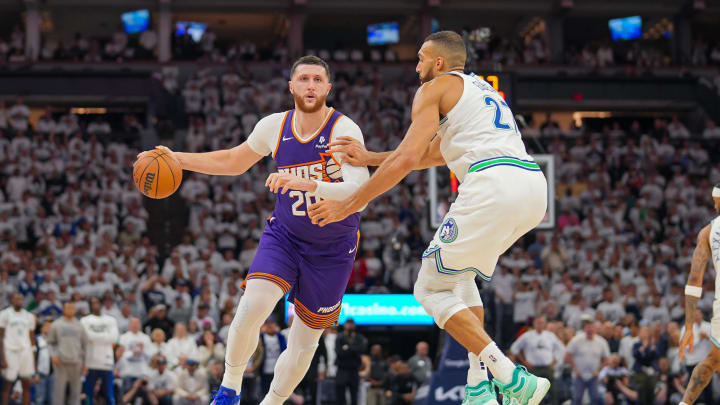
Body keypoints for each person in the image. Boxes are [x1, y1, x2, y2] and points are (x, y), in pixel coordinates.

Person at [307, 30, 549, 404]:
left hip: (492, 183)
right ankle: (479, 385)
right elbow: (433, 155)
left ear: (439, 62)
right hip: (533, 188)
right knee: (460, 276)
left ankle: (511, 376)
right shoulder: (480, 90)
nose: (416, 64)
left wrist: (351, 202)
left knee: (428, 288)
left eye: (420, 57)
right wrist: (370, 158)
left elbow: (406, 159)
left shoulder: (433, 89)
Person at [138, 54, 370, 405]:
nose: (310, 85)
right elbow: (234, 160)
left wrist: (309, 185)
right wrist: (179, 159)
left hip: (333, 249)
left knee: (305, 344)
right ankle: (229, 389)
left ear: (328, 87)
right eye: (303, 79)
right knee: (251, 307)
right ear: (291, 86)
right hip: (286, 237)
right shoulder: (274, 126)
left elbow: (360, 194)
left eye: (317, 79)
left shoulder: (343, 130)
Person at [678, 183, 720, 405]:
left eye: (716, 201)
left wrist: (688, 326)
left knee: (713, 360)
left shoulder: (708, 232)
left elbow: (694, 281)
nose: (714, 205)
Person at [509, 316, 565, 405]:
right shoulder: (527, 335)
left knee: (553, 392)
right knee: (534, 393)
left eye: (542, 323)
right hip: (533, 368)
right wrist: (524, 362)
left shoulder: (550, 336)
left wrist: (555, 361)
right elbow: (514, 348)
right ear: (534, 324)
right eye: (538, 322)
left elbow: (561, 348)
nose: (540, 324)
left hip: (548, 367)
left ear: (545, 324)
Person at [81, 296, 119, 405]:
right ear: (89, 305)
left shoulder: (111, 320)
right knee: (88, 394)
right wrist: (104, 337)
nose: (95, 305)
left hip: (106, 362)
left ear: (101, 304)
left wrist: (94, 338)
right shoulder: (85, 320)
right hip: (90, 362)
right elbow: (86, 337)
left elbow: (114, 338)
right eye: (93, 303)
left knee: (109, 395)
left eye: (97, 302)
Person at [47, 302, 88, 405]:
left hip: (76, 361)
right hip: (61, 362)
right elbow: (50, 342)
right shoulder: (56, 324)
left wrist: (85, 363)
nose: (70, 310)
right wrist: (53, 355)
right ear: (63, 310)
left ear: (75, 310)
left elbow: (85, 345)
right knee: (58, 392)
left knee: (76, 392)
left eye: (72, 308)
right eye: (68, 308)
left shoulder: (80, 325)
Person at [0, 293, 36, 405]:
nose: (19, 301)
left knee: (26, 384)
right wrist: (2, 358)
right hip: (10, 351)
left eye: (21, 299)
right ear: (12, 300)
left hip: (25, 352)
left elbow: (32, 338)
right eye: (16, 299)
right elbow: (0, 337)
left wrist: (34, 358)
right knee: (8, 385)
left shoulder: (29, 316)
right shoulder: (4, 314)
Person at [565, 318, 609, 405]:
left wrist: (599, 370)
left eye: (592, 327)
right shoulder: (576, 340)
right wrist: (575, 369)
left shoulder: (602, 342)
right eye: (588, 327)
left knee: (595, 398)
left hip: (594, 376)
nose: (590, 329)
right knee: (577, 399)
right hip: (579, 375)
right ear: (584, 328)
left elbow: (606, 359)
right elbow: (567, 356)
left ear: (596, 329)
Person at [335, 319, 368, 405]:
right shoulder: (339, 337)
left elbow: (361, 349)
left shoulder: (359, 338)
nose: (350, 326)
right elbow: (339, 352)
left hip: (354, 370)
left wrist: (347, 348)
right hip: (342, 370)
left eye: (351, 324)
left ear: (354, 325)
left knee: (354, 397)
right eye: (348, 323)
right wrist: (353, 349)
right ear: (345, 325)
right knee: (340, 396)